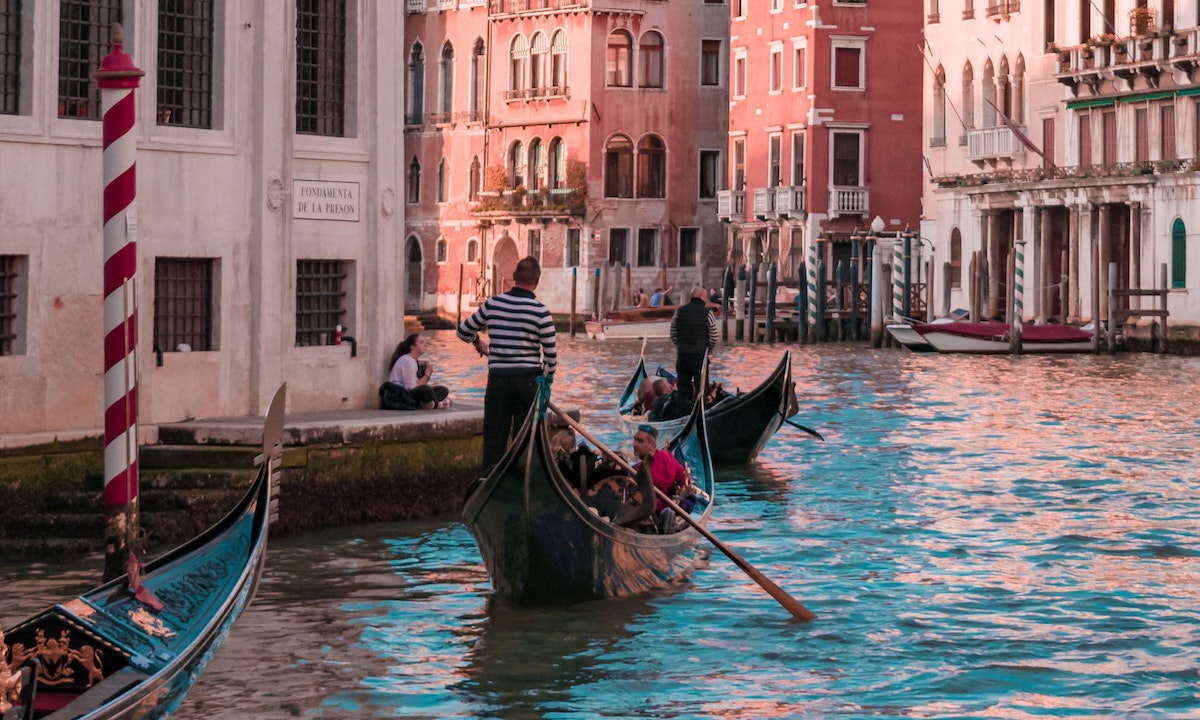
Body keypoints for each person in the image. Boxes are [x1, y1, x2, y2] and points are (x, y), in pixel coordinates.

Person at [457, 256, 558, 473]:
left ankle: (490, 481)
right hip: (528, 382)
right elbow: (551, 359)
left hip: (499, 380)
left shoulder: (492, 304)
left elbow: (463, 330)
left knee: (494, 436)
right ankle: (518, 486)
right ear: (537, 282)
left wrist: (477, 341)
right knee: (523, 441)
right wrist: (546, 384)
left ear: (513, 278)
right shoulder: (541, 312)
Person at [631, 424, 692, 521]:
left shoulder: (663, 460)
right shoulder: (638, 468)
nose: (634, 444)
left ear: (652, 445)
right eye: (635, 440)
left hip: (657, 510)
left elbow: (684, 479)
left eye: (640, 441)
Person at [670, 286, 718, 408]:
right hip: (700, 357)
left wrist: (681, 346)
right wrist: (709, 350)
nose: (706, 298)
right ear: (701, 296)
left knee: (683, 390)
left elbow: (673, 333)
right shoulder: (708, 313)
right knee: (701, 388)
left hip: (683, 356)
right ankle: (701, 410)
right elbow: (713, 336)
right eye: (705, 296)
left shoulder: (679, 311)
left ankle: (682, 413)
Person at [387, 333, 451, 409]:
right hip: (400, 396)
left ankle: (427, 403)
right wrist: (426, 375)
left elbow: (416, 385)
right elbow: (411, 388)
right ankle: (437, 405)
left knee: (443, 390)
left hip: (408, 394)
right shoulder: (407, 360)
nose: (424, 345)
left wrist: (426, 376)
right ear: (412, 347)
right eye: (421, 343)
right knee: (426, 389)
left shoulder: (412, 361)